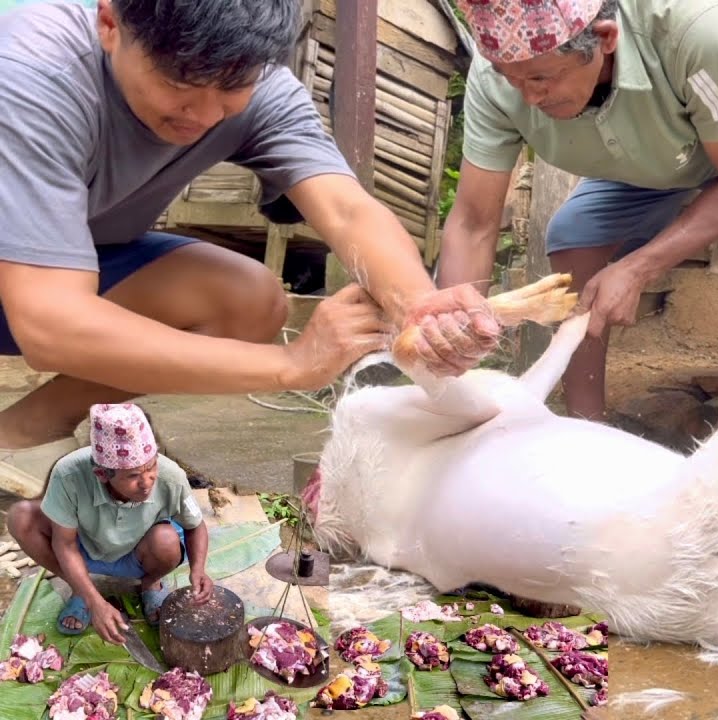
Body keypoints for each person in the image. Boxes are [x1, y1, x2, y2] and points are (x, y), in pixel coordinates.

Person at [0, 0, 500, 493]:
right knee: (56, 314)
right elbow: (50, 324)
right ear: (110, 24)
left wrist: (418, 306)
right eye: (179, 84)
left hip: (56, 269)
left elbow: (346, 209)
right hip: (30, 289)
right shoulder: (33, 72)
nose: (205, 114)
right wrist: (291, 366)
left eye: (233, 87)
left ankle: (19, 435)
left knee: (244, 300)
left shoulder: (260, 86)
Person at [437, 0, 718, 422]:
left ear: (606, 39)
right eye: (511, 79)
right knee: (574, 242)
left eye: (542, 77)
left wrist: (637, 268)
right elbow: (473, 222)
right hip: (661, 148)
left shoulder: (696, 26)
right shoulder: (496, 74)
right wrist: (448, 337)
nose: (529, 97)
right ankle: (583, 431)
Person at [6, 403, 208, 646]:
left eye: (151, 467)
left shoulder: (170, 475)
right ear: (102, 475)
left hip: (139, 551)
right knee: (20, 517)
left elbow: (195, 526)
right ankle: (82, 589)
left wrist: (198, 570)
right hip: (85, 548)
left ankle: (150, 583)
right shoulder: (68, 473)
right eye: (133, 476)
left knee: (166, 539)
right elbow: (65, 545)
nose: (146, 483)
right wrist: (95, 601)